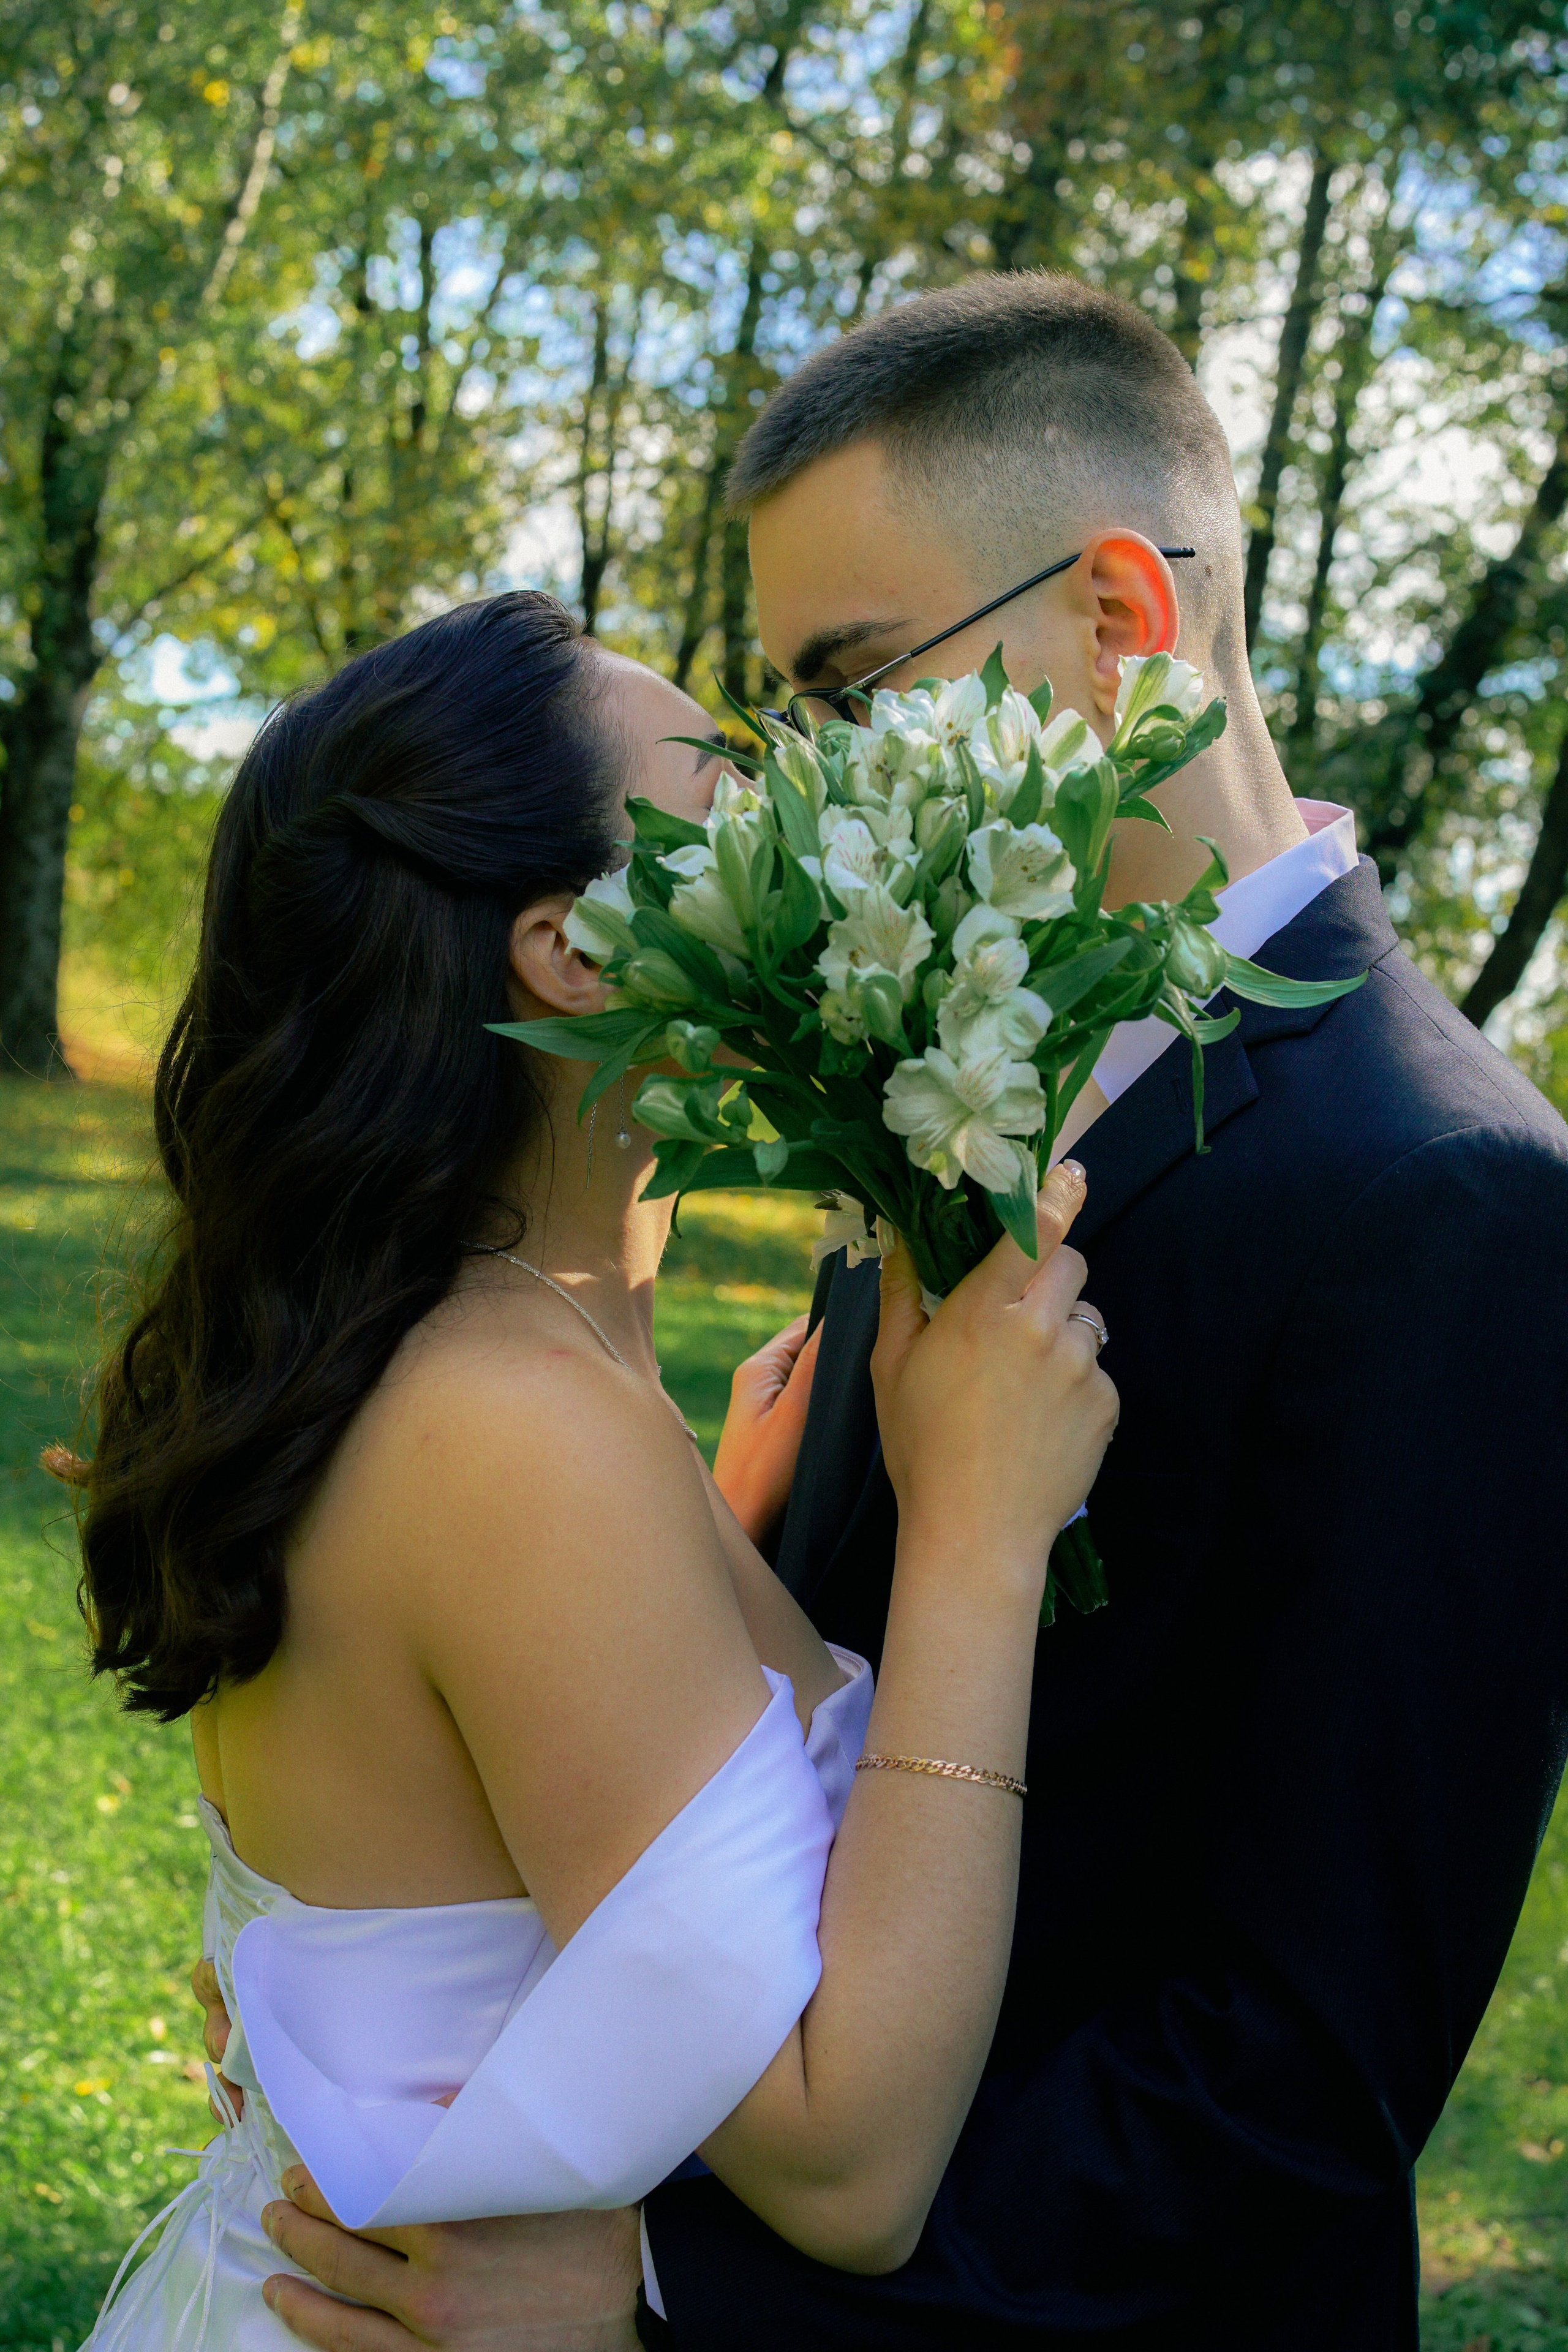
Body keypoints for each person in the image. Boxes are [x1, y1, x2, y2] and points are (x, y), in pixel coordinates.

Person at [239, 272, 1568, 2350]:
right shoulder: (938, 1075)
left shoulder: (1450, 1206)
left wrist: (666, 2291)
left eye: (856, 693)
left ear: (1120, 619)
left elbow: (1294, 2077)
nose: (802, 795)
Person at [70, 587, 1118, 2348]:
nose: (804, 825)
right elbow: (850, 2173)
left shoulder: (483, 1351)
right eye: (730, 800)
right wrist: (977, 1539)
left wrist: (718, 1533)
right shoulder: (507, 1427)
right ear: (570, 949)